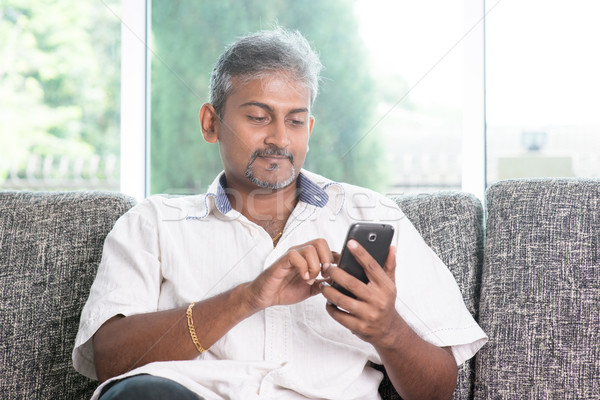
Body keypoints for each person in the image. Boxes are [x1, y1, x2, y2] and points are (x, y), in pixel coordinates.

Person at [73, 27, 487, 400]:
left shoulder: (374, 215)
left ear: (310, 128)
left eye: (296, 120)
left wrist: (387, 330)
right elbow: (111, 361)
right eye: (257, 117)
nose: (278, 138)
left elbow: (437, 390)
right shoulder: (153, 224)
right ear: (210, 123)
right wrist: (247, 298)